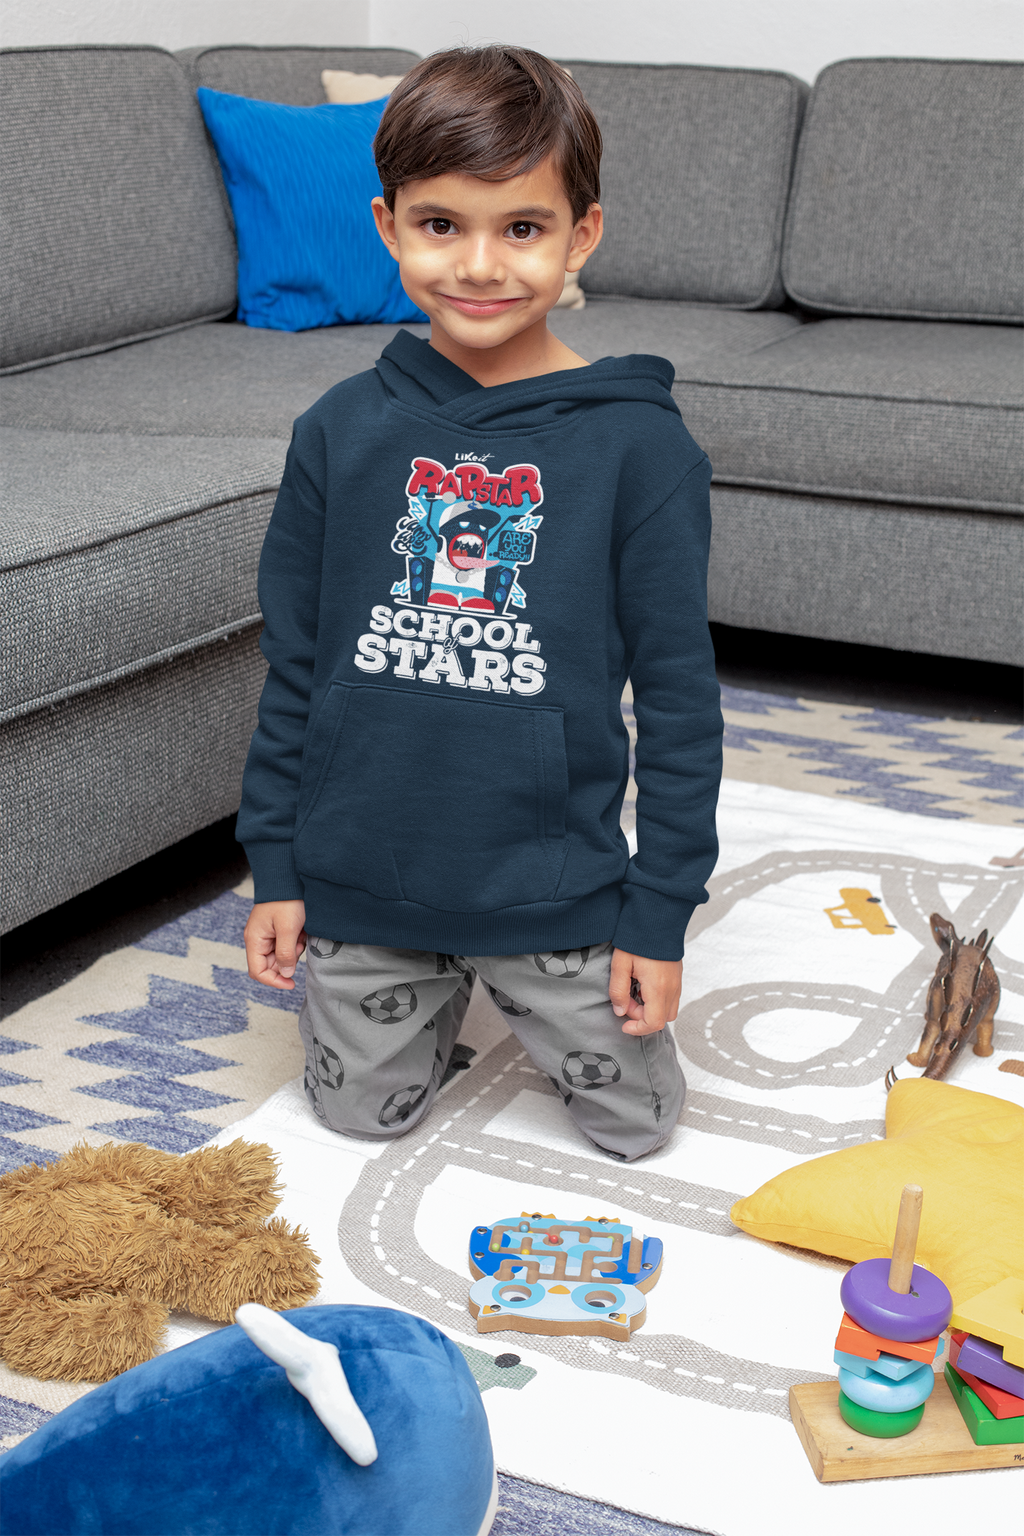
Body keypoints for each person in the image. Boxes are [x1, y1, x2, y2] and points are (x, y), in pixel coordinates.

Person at [238, 44, 723, 1162]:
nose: (479, 265)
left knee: (638, 1130)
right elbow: (296, 662)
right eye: (441, 224)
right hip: (363, 881)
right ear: (388, 226)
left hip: (552, 890)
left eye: (523, 228)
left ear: (581, 235)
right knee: (355, 1121)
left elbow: (678, 700)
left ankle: (495, 979)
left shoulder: (640, 449)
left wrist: (658, 914)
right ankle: (427, 992)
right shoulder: (337, 430)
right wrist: (279, 868)